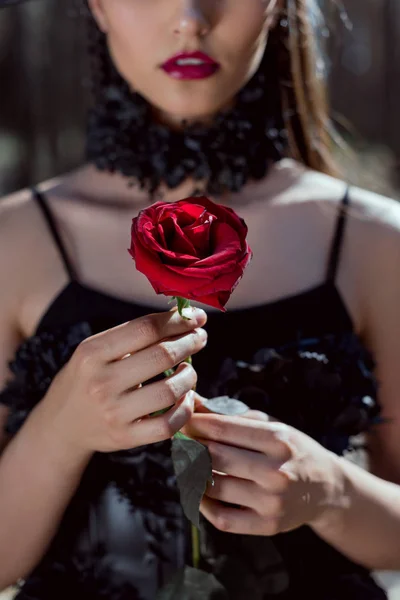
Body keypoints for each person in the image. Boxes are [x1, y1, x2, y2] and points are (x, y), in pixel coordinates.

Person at [0, 0, 400, 598]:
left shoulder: (375, 239)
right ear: (99, 7)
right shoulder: (14, 240)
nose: (190, 17)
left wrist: (330, 491)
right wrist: (58, 430)